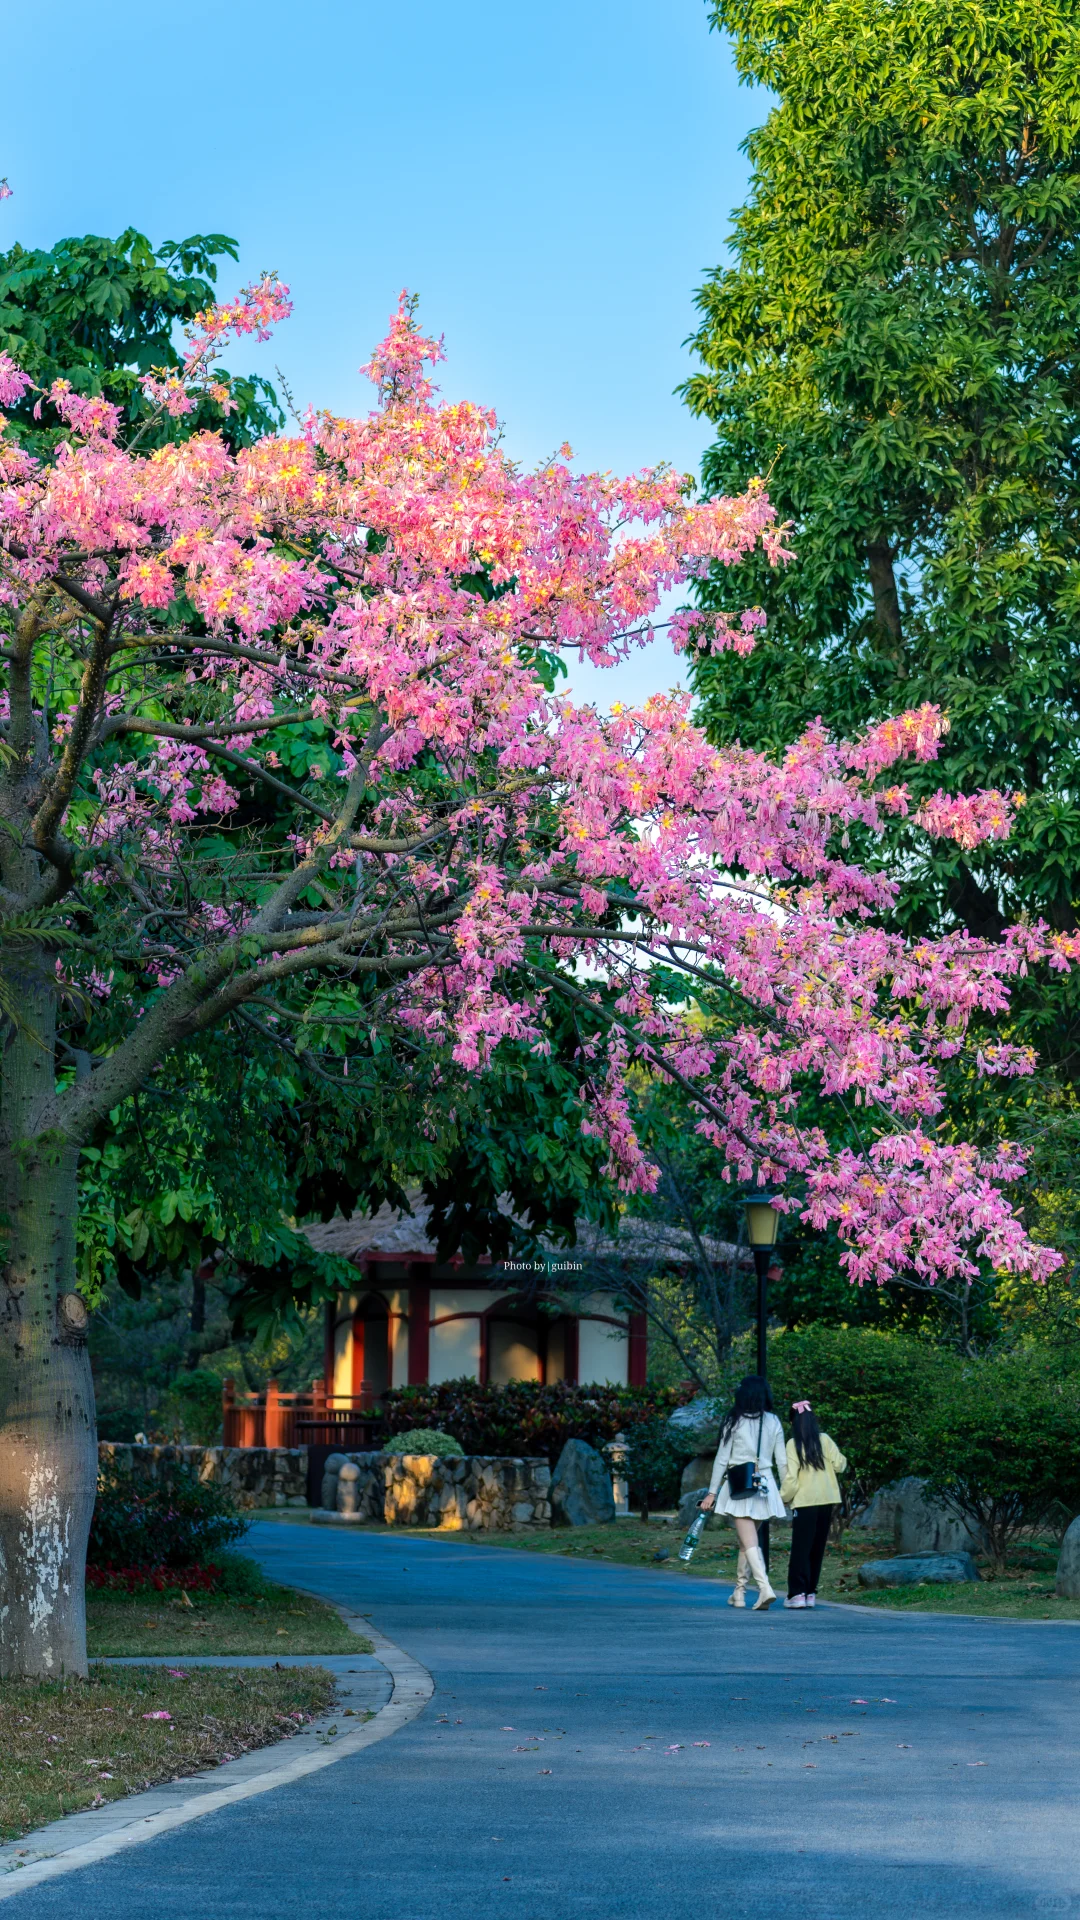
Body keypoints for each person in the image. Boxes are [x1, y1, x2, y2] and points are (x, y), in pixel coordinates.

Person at [699, 1375, 787, 1610]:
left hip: (740, 1482)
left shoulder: (734, 1420)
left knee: (748, 1542)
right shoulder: (773, 1421)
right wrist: (787, 1491)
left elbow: (722, 1459)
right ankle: (739, 1592)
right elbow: (782, 1461)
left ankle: (765, 1588)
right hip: (764, 1485)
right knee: (747, 1542)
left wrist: (712, 1492)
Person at [779, 1400, 847, 1610]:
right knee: (817, 1548)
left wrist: (782, 1497)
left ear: (793, 1422)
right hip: (826, 1500)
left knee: (801, 1548)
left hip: (805, 1502)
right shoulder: (824, 1440)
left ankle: (796, 1593)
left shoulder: (793, 1444)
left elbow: (791, 1478)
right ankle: (810, 1593)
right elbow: (840, 1465)